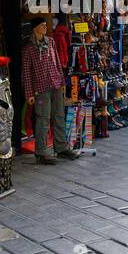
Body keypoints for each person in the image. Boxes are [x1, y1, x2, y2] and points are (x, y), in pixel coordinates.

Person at [22, 16, 78, 164]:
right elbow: (26, 72)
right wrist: (29, 93)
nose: (45, 27)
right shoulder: (29, 48)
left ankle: (61, 148)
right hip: (40, 87)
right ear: (35, 28)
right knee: (43, 119)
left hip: (56, 84)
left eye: (45, 25)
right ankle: (41, 152)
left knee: (59, 116)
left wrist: (62, 80)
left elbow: (57, 62)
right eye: (42, 25)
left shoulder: (51, 42)